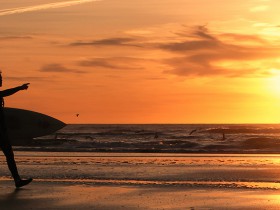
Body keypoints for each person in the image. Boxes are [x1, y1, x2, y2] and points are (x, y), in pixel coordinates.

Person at [0, 71, 32, 188]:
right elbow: (6, 92)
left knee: (10, 155)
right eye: (0, 78)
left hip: (2, 131)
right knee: (9, 155)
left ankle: (17, 180)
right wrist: (19, 88)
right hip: (0, 133)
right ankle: (17, 180)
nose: (1, 80)